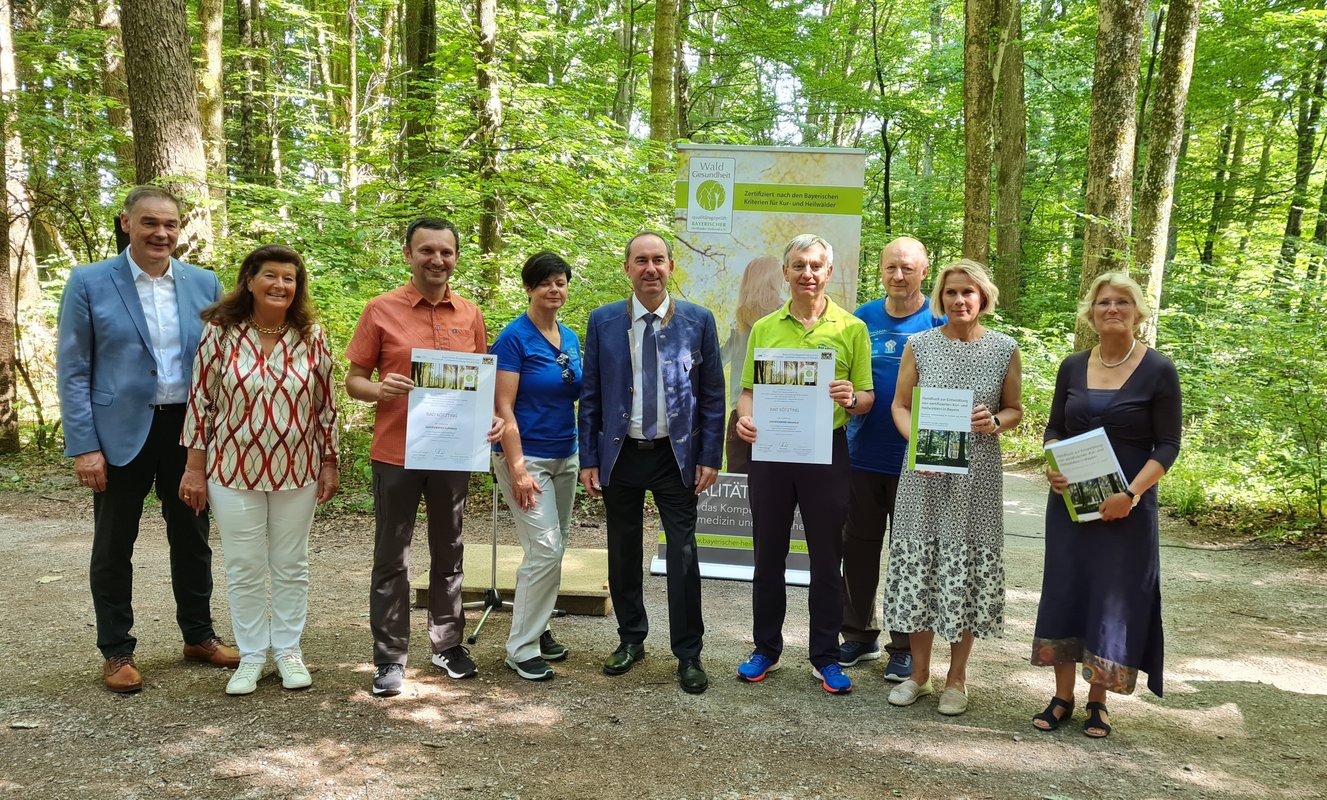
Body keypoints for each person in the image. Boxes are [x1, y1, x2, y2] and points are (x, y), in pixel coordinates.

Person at [57, 186, 238, 693]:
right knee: (114, 543)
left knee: (192, 537)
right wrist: (85, 446)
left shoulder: (203, 283)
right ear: (126, 224)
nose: (161, 233)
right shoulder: (90, 281)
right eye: (150, 223)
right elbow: (74, 369)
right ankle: (117, 651)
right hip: (118, 434)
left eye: (170, 225)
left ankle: (198, 636)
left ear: (180, 230)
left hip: (188, 430)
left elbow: (219, 362)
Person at [345, 217, 504, 697]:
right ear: (409, 254)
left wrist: (492, 420)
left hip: (453, 454)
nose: (437, 260)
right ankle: (390, 657)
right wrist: (378, 389)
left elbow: (480, 383)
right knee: (392, 555)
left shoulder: (469, 314)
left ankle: (447, 644)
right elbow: (354, 380)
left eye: (446, 252)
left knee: (450, 548)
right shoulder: (380, 310)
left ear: (456, 258)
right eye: (426, 251)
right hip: (396, 453)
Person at [179, 245, 340, 695]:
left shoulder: (311, 334)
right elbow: (200, 402)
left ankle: (287, 650)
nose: (280, 285)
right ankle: (250, 656)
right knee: (245, 565)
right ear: (249, 280)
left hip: (299, 468)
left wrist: (330, 462)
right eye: (271, 275)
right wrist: (195, 467)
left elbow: (327, 405)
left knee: (291, 563)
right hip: (231, 470)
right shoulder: (220, 332)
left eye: (289, 278)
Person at [1030, 272, 1181, 738]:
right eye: (1102, 303)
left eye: (1121, 302)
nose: (1111, 309)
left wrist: (1131, 494)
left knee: (1111, 598)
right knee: (1068, 589)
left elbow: (1168, 445)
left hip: (1127, 509)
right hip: (1072, 505)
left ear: (1138, 312)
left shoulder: (1159, 369)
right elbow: (1054, 428)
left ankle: (1099, 702)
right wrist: (1052, 464)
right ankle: (1061, 696)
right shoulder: (1072, 366)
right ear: (1091, 313)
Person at [579, 231, 725, 694]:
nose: (650, 269)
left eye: (658, 260)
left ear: (671, 266)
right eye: (640, 261)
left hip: (675, 456)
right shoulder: (603, 321)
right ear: (627, 268)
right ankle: (630, 639)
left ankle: (689, 653)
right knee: (623, 552)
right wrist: (588, 458)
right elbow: (591, 395)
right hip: (620, 454)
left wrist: (709, 455)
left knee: (683, 555)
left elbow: (713, 395)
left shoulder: (698, 321)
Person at [733, 233, 874, 695]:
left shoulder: (851, 328)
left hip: (825, 452)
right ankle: (765, 650)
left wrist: (852, 398)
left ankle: (825, 656)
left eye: (816, 265)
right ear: (786, 273)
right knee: (767, 553)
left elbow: (868, 397)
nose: (807, 273)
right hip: (771, 453)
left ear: (828, 273)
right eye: (798, 265)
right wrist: (745, 417)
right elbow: (750, 390)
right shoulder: (764, 327)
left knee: (826, 556)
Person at [882, 258, 1023, 715]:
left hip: (977, 478)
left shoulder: (1004, 348)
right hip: (923, 475)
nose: (959, 300)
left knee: (966, 570)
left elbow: (1014, 409)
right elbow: (900, 406)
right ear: (939, 299)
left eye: (967, 292)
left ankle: (956, 679)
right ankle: (919, 675)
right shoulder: (920, 345)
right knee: (920, 568)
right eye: (950, 293)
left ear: (983, 298)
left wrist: (995, 422)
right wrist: (917, 442)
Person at [839, 237, 945, 682]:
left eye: (907, 268)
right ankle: (859, 635)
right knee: (858, 547)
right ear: (880, 271)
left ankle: (903, 644)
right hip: (863, 453)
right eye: (890, 268)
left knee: (910, 553)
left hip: (917, 461)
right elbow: (844, 375)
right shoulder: (862, 318)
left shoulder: (938, 320)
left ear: (924, 270)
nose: (898, 276)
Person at [490, 252, 582, 681]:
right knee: (545, 549)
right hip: (526, 459)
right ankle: (521, 648)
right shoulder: (514, 338)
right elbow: (502, 406)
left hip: (566, 455)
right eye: (545, 282)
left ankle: (540, 626)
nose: (554, 289)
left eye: (560, 282)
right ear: (529, 288)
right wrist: (519, 469)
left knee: (554, 545)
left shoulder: (571, 337)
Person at [721, 255, 783, 473]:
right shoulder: (740, 322)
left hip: (760, 413)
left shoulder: (742, 319)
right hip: (752, 414)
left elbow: (721, 359)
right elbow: (721, 359)